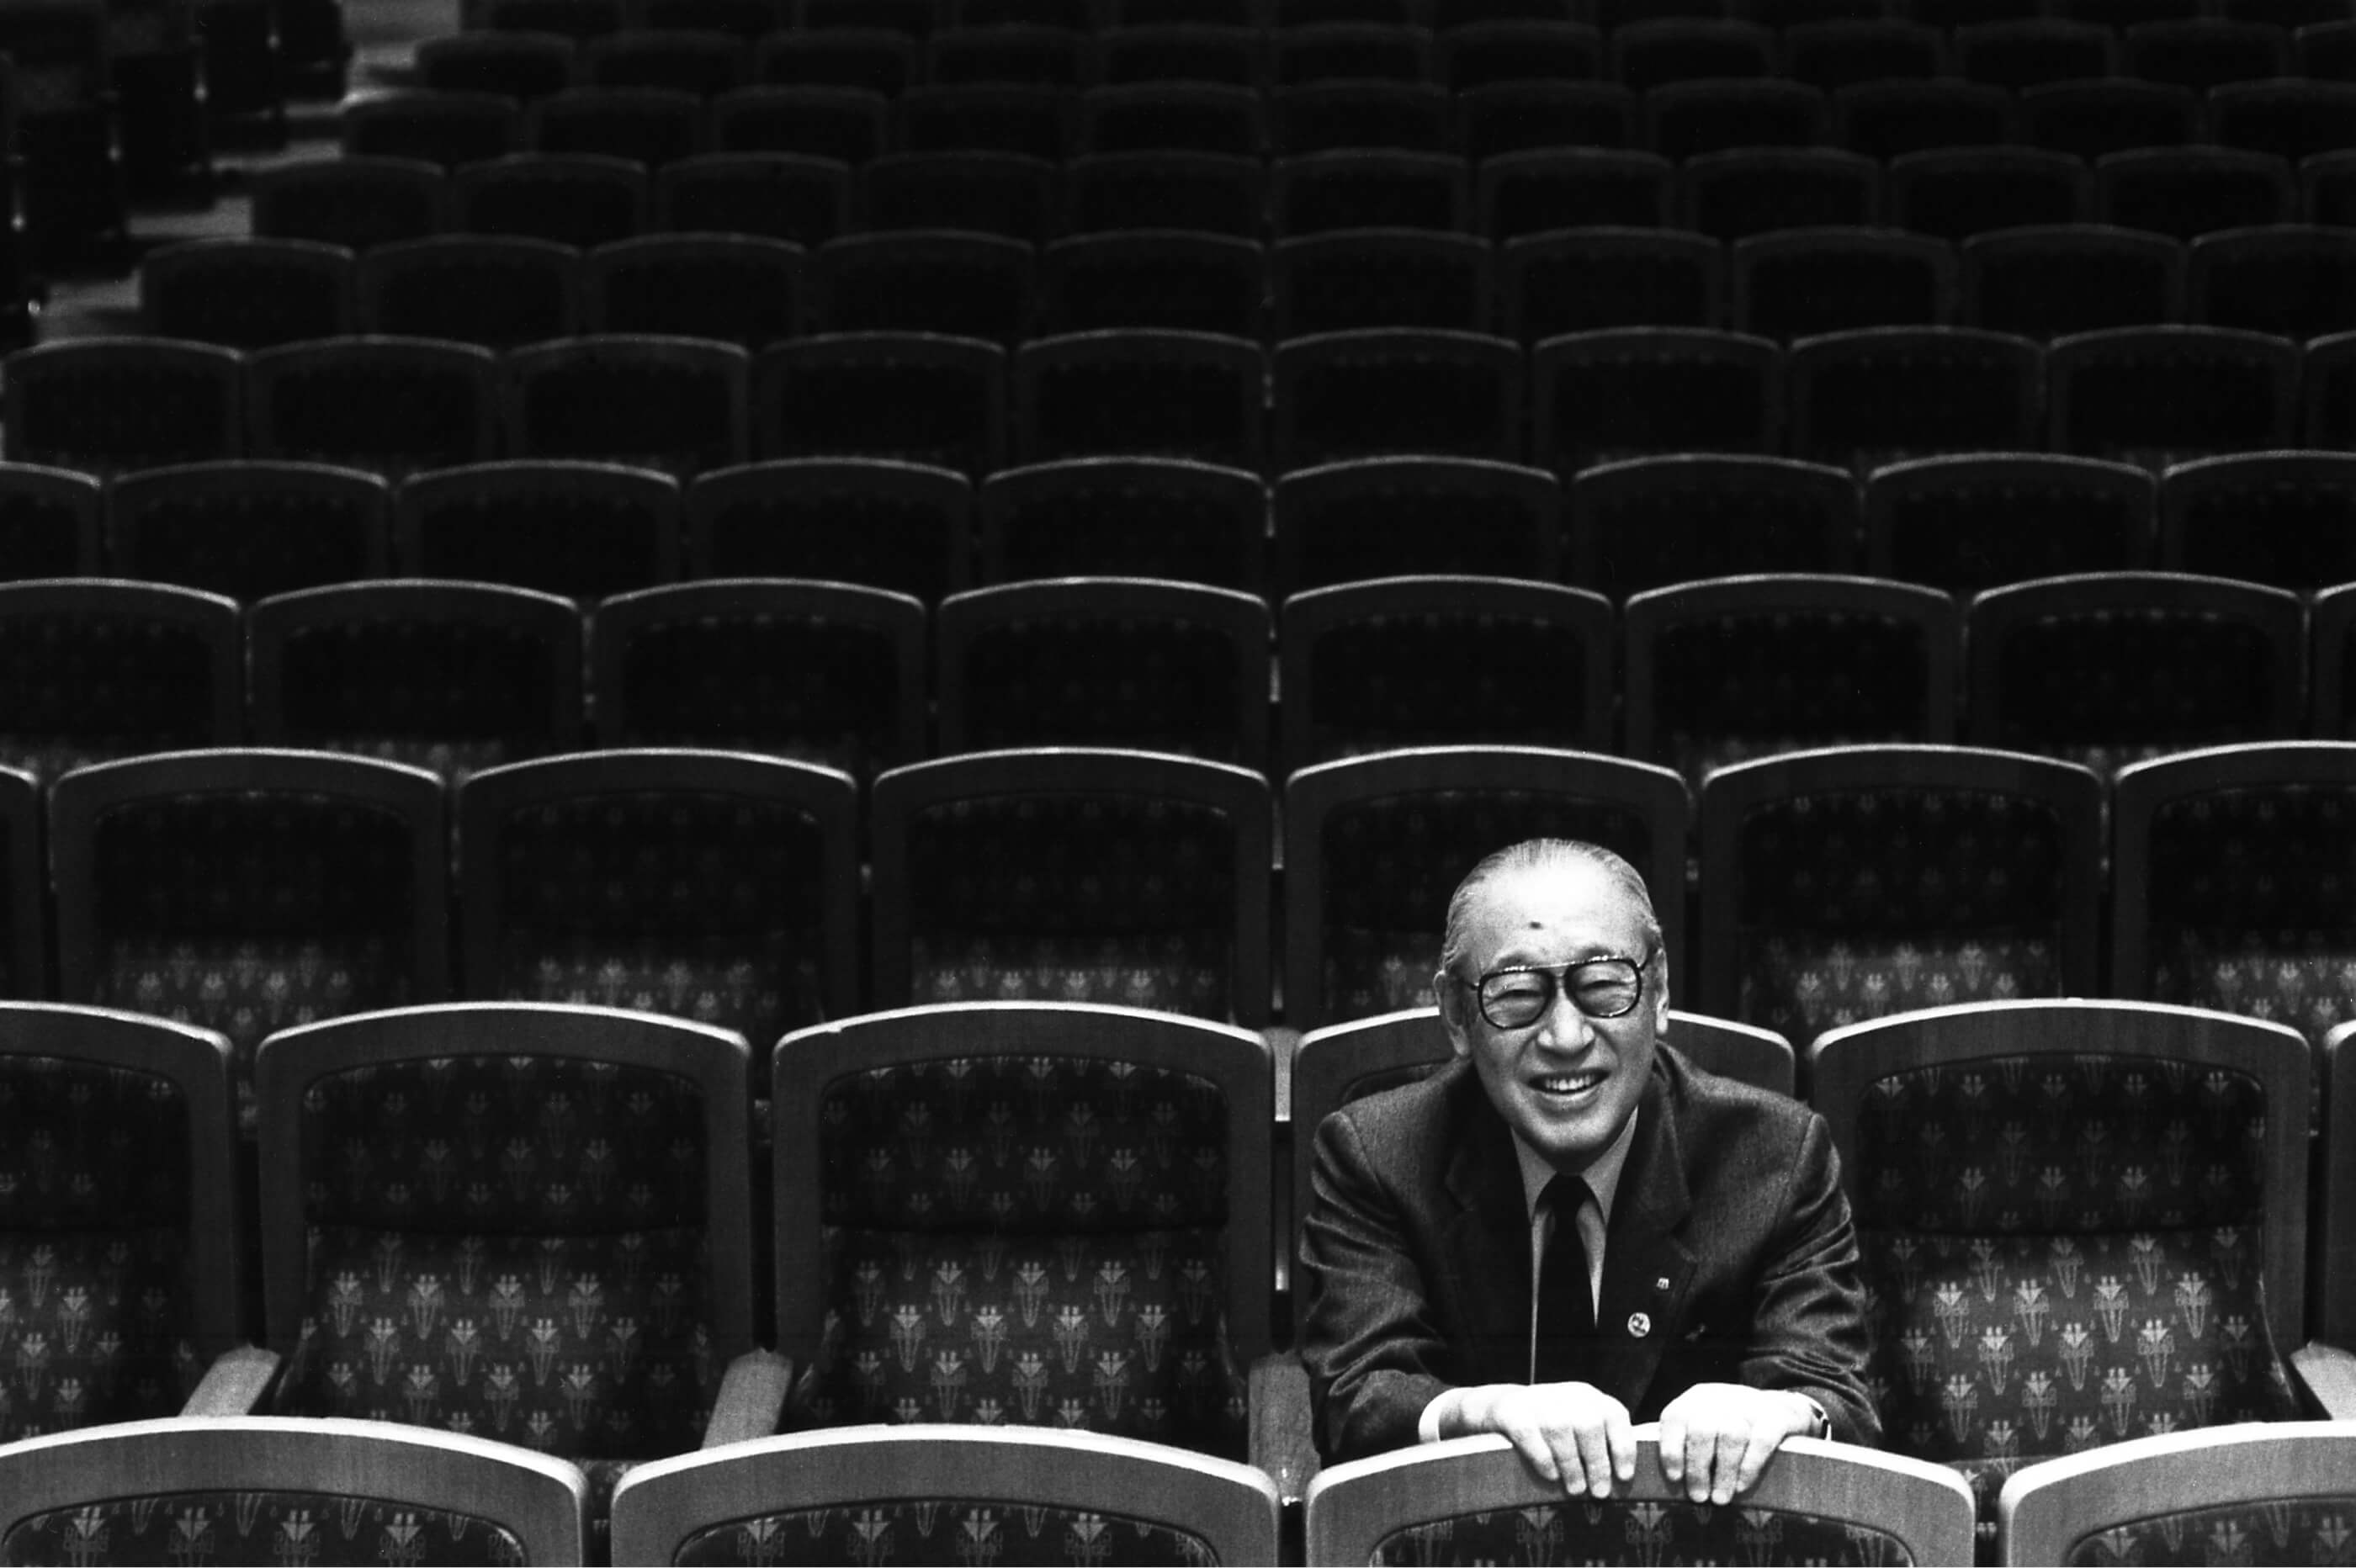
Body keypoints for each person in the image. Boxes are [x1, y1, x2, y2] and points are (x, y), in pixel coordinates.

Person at [1298, 838, 1879, 1505]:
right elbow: (1355, 1398)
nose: (1566, 1037)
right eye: (1517, 996)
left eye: (1602, 985)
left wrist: (1780, 1414)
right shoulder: (1375, 1155)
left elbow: (1835, 1395)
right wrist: (1476, 1415)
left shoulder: (1775, 1157)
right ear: (1457, 1016)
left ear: (1658, 992)